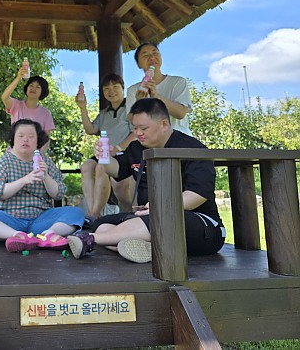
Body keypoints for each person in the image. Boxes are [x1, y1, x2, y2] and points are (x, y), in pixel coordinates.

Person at [67, 98, 225, 263]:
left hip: (201, 224)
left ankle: (91, 239)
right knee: (102, 224)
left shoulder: (192, 149)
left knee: (160, 220)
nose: (138, 133)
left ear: (164, 124)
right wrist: (104, 157)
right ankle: (147, 247)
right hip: (149, 217)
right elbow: (117, 169)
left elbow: (198, 194)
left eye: (143, 128)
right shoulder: (136, 148)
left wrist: (158, 207)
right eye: (135, 128)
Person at [0, 119, 85, 253]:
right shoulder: (4, 161)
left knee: (76, 213)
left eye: (31, 136)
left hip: (40, 219)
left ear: (38, 140)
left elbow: (59, 193)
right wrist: (24, 180)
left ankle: (47, 235)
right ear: (13, 139)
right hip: (9, 218)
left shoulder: (45, 161)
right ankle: (18, 236)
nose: (25, 140)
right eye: (21, 136)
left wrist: (46, 177)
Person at [76, 73, 135, 217]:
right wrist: (83, 108)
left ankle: (96, 212)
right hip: (105, 153)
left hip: (122, 154)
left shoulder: (131, 110)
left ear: (123, 88)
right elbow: (90, 130)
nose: (111, 91)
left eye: (115, 86)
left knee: (101, 166)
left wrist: (118, 148)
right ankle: (93, 212)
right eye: (106, 88)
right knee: (86, 167)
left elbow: (135, 134)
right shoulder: (104, 113)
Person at [127, 42, 193, 135]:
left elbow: (180, 113)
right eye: (145, 55)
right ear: (138, 64)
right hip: (151, 141)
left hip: (179, 139)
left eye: (155, 53)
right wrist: (139, 104)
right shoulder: (133, 90)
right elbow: (132, 121)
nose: (152, 57)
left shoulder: (177, 82)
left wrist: (156, 97)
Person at [1, 65, 55, 143]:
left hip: (35, 150)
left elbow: (46, 140)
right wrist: (18, 78)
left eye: (37, 87)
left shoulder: (46, 113)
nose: (33, 89)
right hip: (15, 149)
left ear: (42, 92)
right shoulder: (16, 105)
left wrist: (38, 151)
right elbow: (4, 97)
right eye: (31, 85)